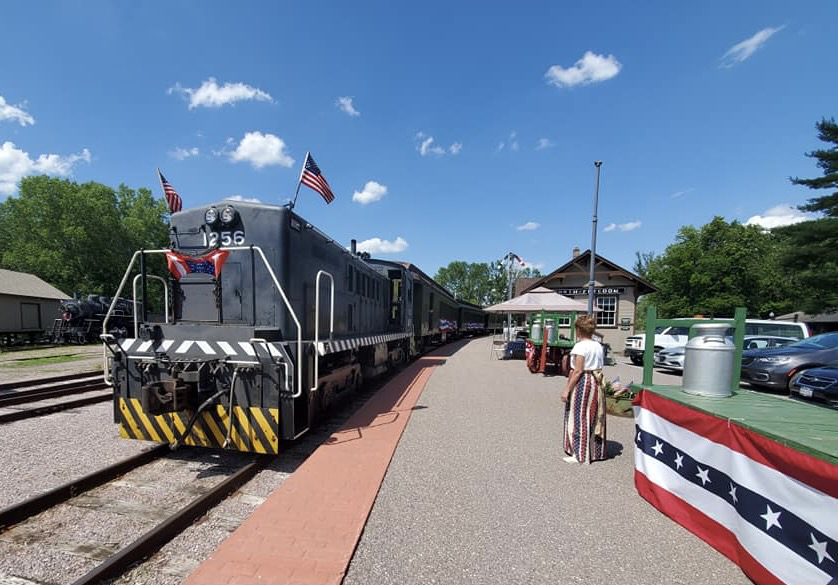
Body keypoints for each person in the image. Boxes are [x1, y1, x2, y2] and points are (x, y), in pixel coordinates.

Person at [561, 314, 607, 464]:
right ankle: (595, 452)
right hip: (596, 380)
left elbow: (578, 370)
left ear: (579, 330)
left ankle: (580, 454)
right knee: (593, 415)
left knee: (579, 416)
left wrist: (567, 389)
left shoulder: (580, 346)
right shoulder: (598, 345)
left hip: (584, 381)